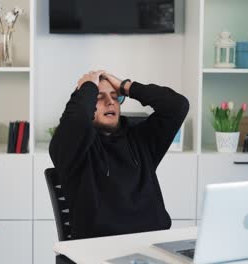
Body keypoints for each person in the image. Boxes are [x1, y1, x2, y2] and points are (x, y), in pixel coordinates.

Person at [49, 70, 189, 239]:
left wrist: (126, 86)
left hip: (154, 243)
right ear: (86, 103)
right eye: (98, 97)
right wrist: (87, 86)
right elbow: (75, 122)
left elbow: (177, 105)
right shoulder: (74, 151)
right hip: (100, 249)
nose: (110, 102)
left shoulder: (142, 140)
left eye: (115, 96)